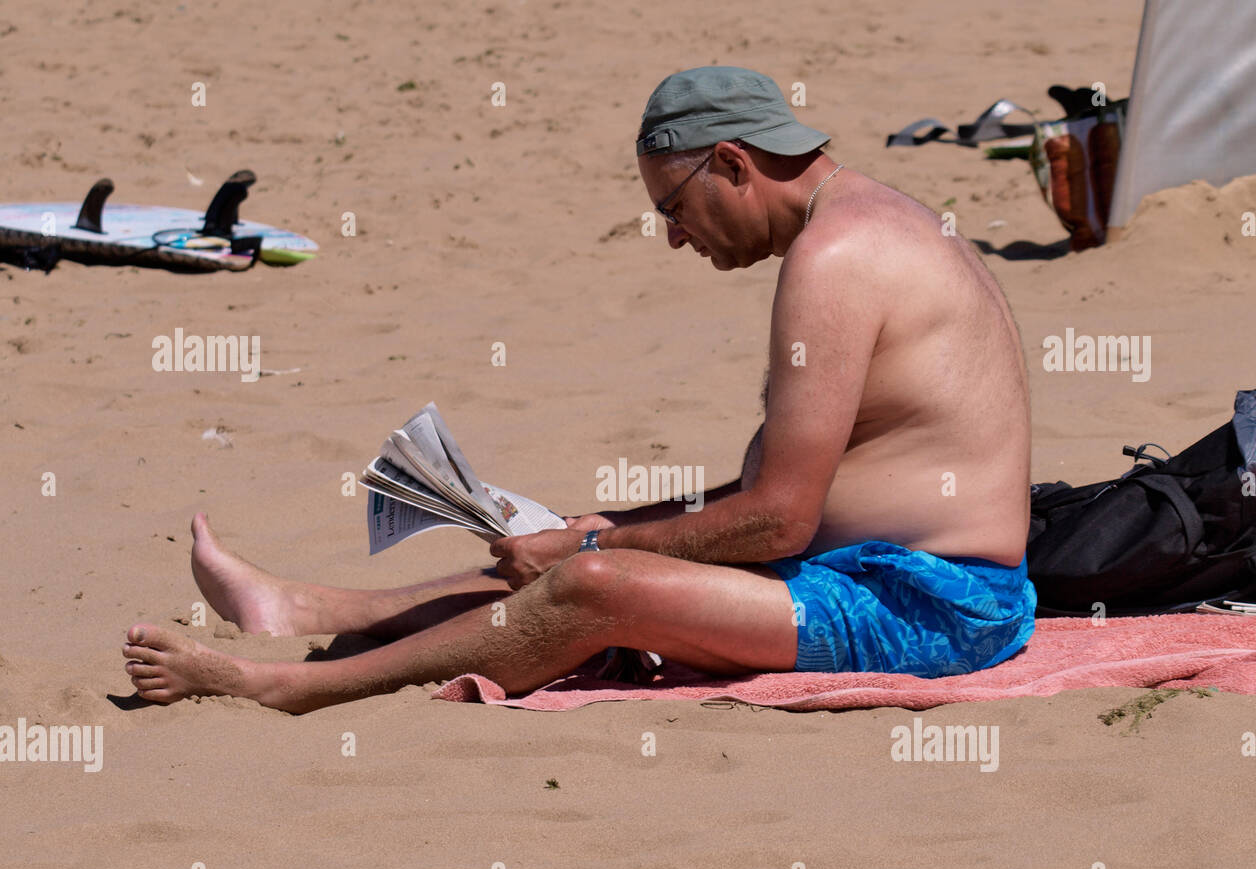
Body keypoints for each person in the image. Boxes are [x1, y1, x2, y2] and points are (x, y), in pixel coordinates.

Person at [122, 66, 1036, 714]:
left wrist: (591, 541)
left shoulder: (837, 258)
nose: (676, 237)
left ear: (731, 163)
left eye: (673, 208)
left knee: (593, 580)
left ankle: (291, 687)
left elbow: (781, 521)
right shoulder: (868, 224)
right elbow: (785, 502)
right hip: (877, 574)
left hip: (930, 610)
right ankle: (320, 612)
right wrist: (584, 526)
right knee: (573, 540)